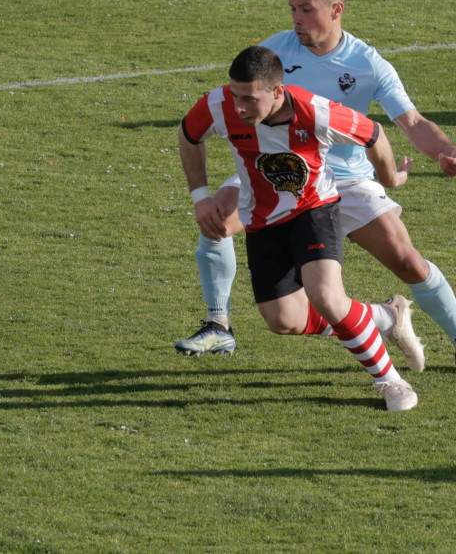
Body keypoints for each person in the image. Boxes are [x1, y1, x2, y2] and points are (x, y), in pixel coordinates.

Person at [175, 0, 456, 378]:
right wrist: (202, 195)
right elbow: (235, 105)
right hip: (279, 170)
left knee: (406, 260)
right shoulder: (273, 52)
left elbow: (411, 122)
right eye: (293, 8)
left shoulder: (367, 64)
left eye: (307, 9)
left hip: (346, 178)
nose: (297, 19)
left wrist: (443, 151)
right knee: (216, 219)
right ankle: (218, 323)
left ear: (336, 10)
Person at [179, 45, 418, 411]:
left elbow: (374, 135)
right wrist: (201, 197)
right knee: (283, 321)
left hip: (313, 210)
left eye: (248, 98)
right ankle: (387, 316)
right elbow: (188, 134)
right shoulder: (218, 104)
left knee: (326, 297)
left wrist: (392, 179)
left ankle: (390, 381)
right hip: (262, 220)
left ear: (277, 92)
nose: (238, 106)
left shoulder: (317, 113)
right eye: (234, 95)